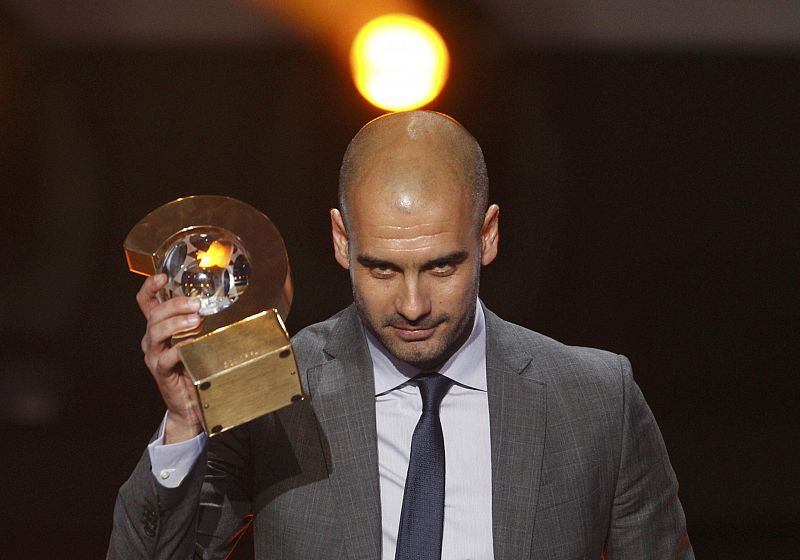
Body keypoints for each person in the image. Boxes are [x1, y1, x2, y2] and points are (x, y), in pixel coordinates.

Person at [108, 110, 693, 559]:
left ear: (488, 234)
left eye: (442, 265)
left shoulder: (595, 399)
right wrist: (186, 424)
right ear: (342, 241)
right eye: (382, 268)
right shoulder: (275, 389)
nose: (413, 305)